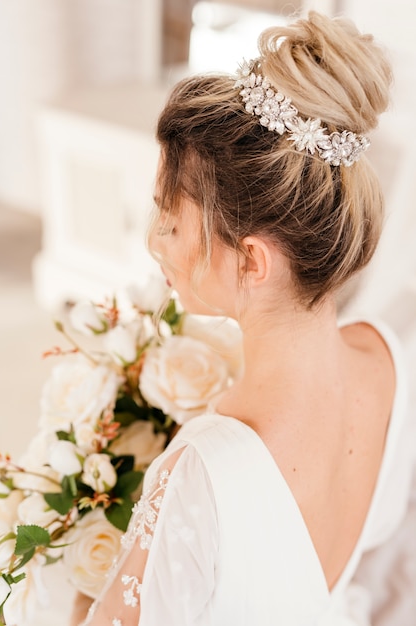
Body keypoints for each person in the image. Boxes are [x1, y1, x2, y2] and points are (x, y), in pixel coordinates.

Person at [75, 11, 414, 626]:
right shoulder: (391, 363)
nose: (155, 243)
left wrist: (73, 579)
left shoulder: (204, 470)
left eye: (172, 222)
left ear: (252, 261)